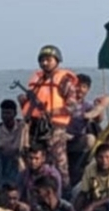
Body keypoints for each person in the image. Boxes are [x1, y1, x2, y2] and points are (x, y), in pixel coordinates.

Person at [19, 45, 78, 181]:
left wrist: (52, 112)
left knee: (58, 163)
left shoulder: (64, 80)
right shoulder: (37, 80)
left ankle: (64, 191)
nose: (44, 63)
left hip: (55, 128)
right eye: (42, 60)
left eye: (48, 60)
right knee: (34, 161)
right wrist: (23, 102)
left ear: (56, 60)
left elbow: (73, 105)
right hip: (35, 127)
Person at [0, 99, 24, 187]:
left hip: (20, 159)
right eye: (3, 113)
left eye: (8, 113)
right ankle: (0, 180)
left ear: (15, 114)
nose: (5, 116)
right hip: (3, 161)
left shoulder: (23, 127)